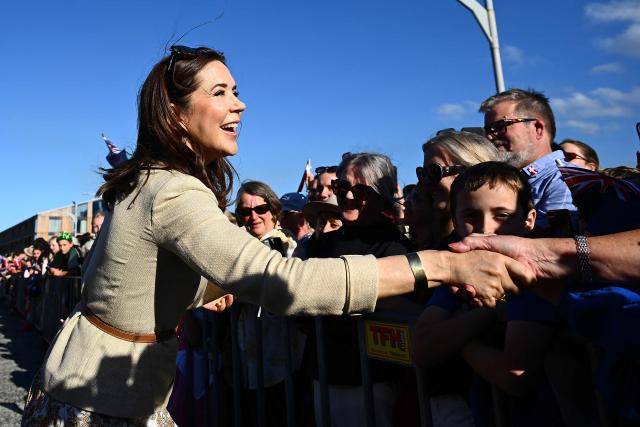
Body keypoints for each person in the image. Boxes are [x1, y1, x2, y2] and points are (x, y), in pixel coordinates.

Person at [22, 45, 532, 425]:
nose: (239, 105)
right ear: (175, 114)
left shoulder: (152, 181)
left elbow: (133, 282)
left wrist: (212, 289)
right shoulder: (173, 190)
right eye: (219, 92)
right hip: (103, 399)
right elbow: (281, 279)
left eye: (236, 91)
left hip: (94, 386)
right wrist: (441, 265)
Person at [307, 152, 420, 427]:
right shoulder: (323, 244)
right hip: (322, 371)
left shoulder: (395, 248)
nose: (347, 196)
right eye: (342, 187)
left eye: (359, 190)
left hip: (372, 379)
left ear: (381, 194)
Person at [480, 88, 577, 230]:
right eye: (488, 130)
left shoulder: (565, 182)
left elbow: (548, 247)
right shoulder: (507, 179)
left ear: (537, 128)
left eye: (500, 126)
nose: (490, 137)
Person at [420, 130, 502, 248]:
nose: (425, 182)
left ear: (472, 172)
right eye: (423, 173)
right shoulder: (435, 241)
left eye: (433, 172)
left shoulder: (514, 238)